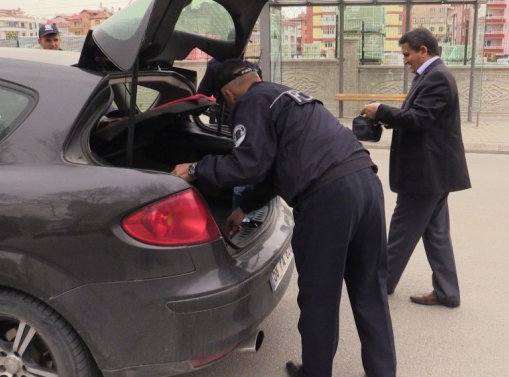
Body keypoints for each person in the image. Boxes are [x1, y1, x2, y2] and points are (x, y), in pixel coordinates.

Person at [173, 59, 396, 377]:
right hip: (365, 183)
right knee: (369, 288)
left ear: (228, 94)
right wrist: (244, 208)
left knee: (320, 296)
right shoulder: (283, 95)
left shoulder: (249, 103)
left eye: (222, 104)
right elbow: (275, 167)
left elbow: (249, 164)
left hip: (327, 199)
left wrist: (194, 169)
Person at [361, 28, 471, 308]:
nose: (405, 60)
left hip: (426, 176)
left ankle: (380, 284)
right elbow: (418, 118)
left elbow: (419, 119)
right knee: (436, 235)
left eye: (407, 54)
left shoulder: (438, 78)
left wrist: (382, 111)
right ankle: (448, 293)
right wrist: (387, 116)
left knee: (401, 231)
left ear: (423, 50)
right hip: (433, 175)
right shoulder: (431, 76)